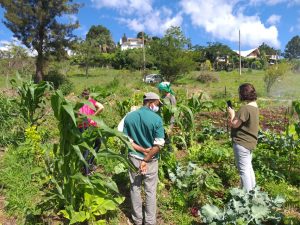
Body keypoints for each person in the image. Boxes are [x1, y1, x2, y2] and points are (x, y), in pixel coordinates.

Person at [123, 92, 165, 225]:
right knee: (150, 190)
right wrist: (146, 159)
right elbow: (158, 145)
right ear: (152, 103)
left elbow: (127, 141)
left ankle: (137, 219)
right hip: (151, 160)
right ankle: (150, 222)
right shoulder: (156, 119)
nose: (158, 107)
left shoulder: (129, 117)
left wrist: (141, 151)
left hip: (134, 158)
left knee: (135, 188)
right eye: (158, 104)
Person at [227, 83, 259, 192]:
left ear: (243, 94)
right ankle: (253, 191)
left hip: (242, 143)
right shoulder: (255, 107)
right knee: (249, 168)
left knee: (243, 171)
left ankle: (247, 197)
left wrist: (232, 113)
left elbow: (234, 124)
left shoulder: (245, 108)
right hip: (250, 143)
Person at [78, 89, 104, 175]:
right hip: (91, 126)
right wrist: (93, 116)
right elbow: (101, 107)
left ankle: (88, 164)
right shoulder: (91, 101)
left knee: (87, 148)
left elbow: (77, 114)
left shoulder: (79, 103)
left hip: (81, 126)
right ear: (89, 96)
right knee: (96, 145)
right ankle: (87, 171)